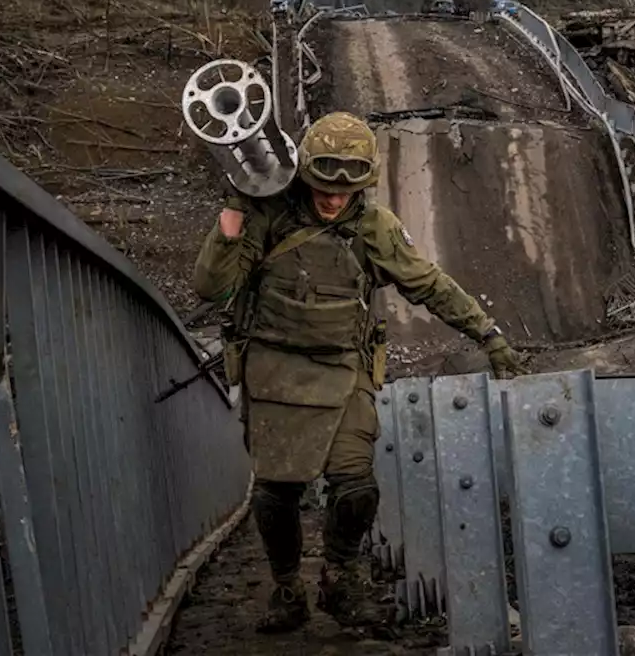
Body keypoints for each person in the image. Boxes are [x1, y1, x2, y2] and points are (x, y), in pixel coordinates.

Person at [192, 110, 521, 635]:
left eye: (346, 187)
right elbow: (212, 288)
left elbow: (429, 285)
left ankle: (340, 579)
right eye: (322, 185)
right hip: (275, 373)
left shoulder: (373, 227)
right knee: (276, 493)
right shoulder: (268, 214)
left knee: (356, 487)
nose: (332, 197)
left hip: (345, 373)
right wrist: (236, 209)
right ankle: (286, 589)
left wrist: (488, 334)